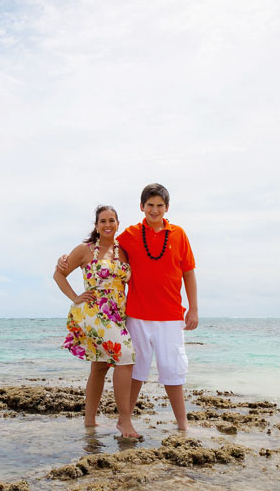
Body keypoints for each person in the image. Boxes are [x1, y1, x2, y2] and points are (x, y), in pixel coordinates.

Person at [60, 183, 198, 431]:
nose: (154, 210)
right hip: (114, 315)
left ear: (166, 208)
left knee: (111, 366)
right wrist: (70, 283)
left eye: (159, 206)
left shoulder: (159, 238)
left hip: (143, 315)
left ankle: (180, 426)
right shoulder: (112, 242)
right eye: (150, 205)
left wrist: (193, 308)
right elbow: (70, 265)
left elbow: (187, 271)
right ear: (142, 207)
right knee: (126, 363)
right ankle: (124, 420)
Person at [54, 205, 140, 438]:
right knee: (125, 356)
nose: (108, 225)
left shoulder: (124, 251)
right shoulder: (85, 250)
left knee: (100, 365)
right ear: (96, 225)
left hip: (118, 314)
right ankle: (125, 422)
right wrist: (75, 297)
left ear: (118, 223)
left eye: (112, 220)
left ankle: (89, 421)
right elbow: (58, 274)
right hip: (94, 313)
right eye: (103, 221)